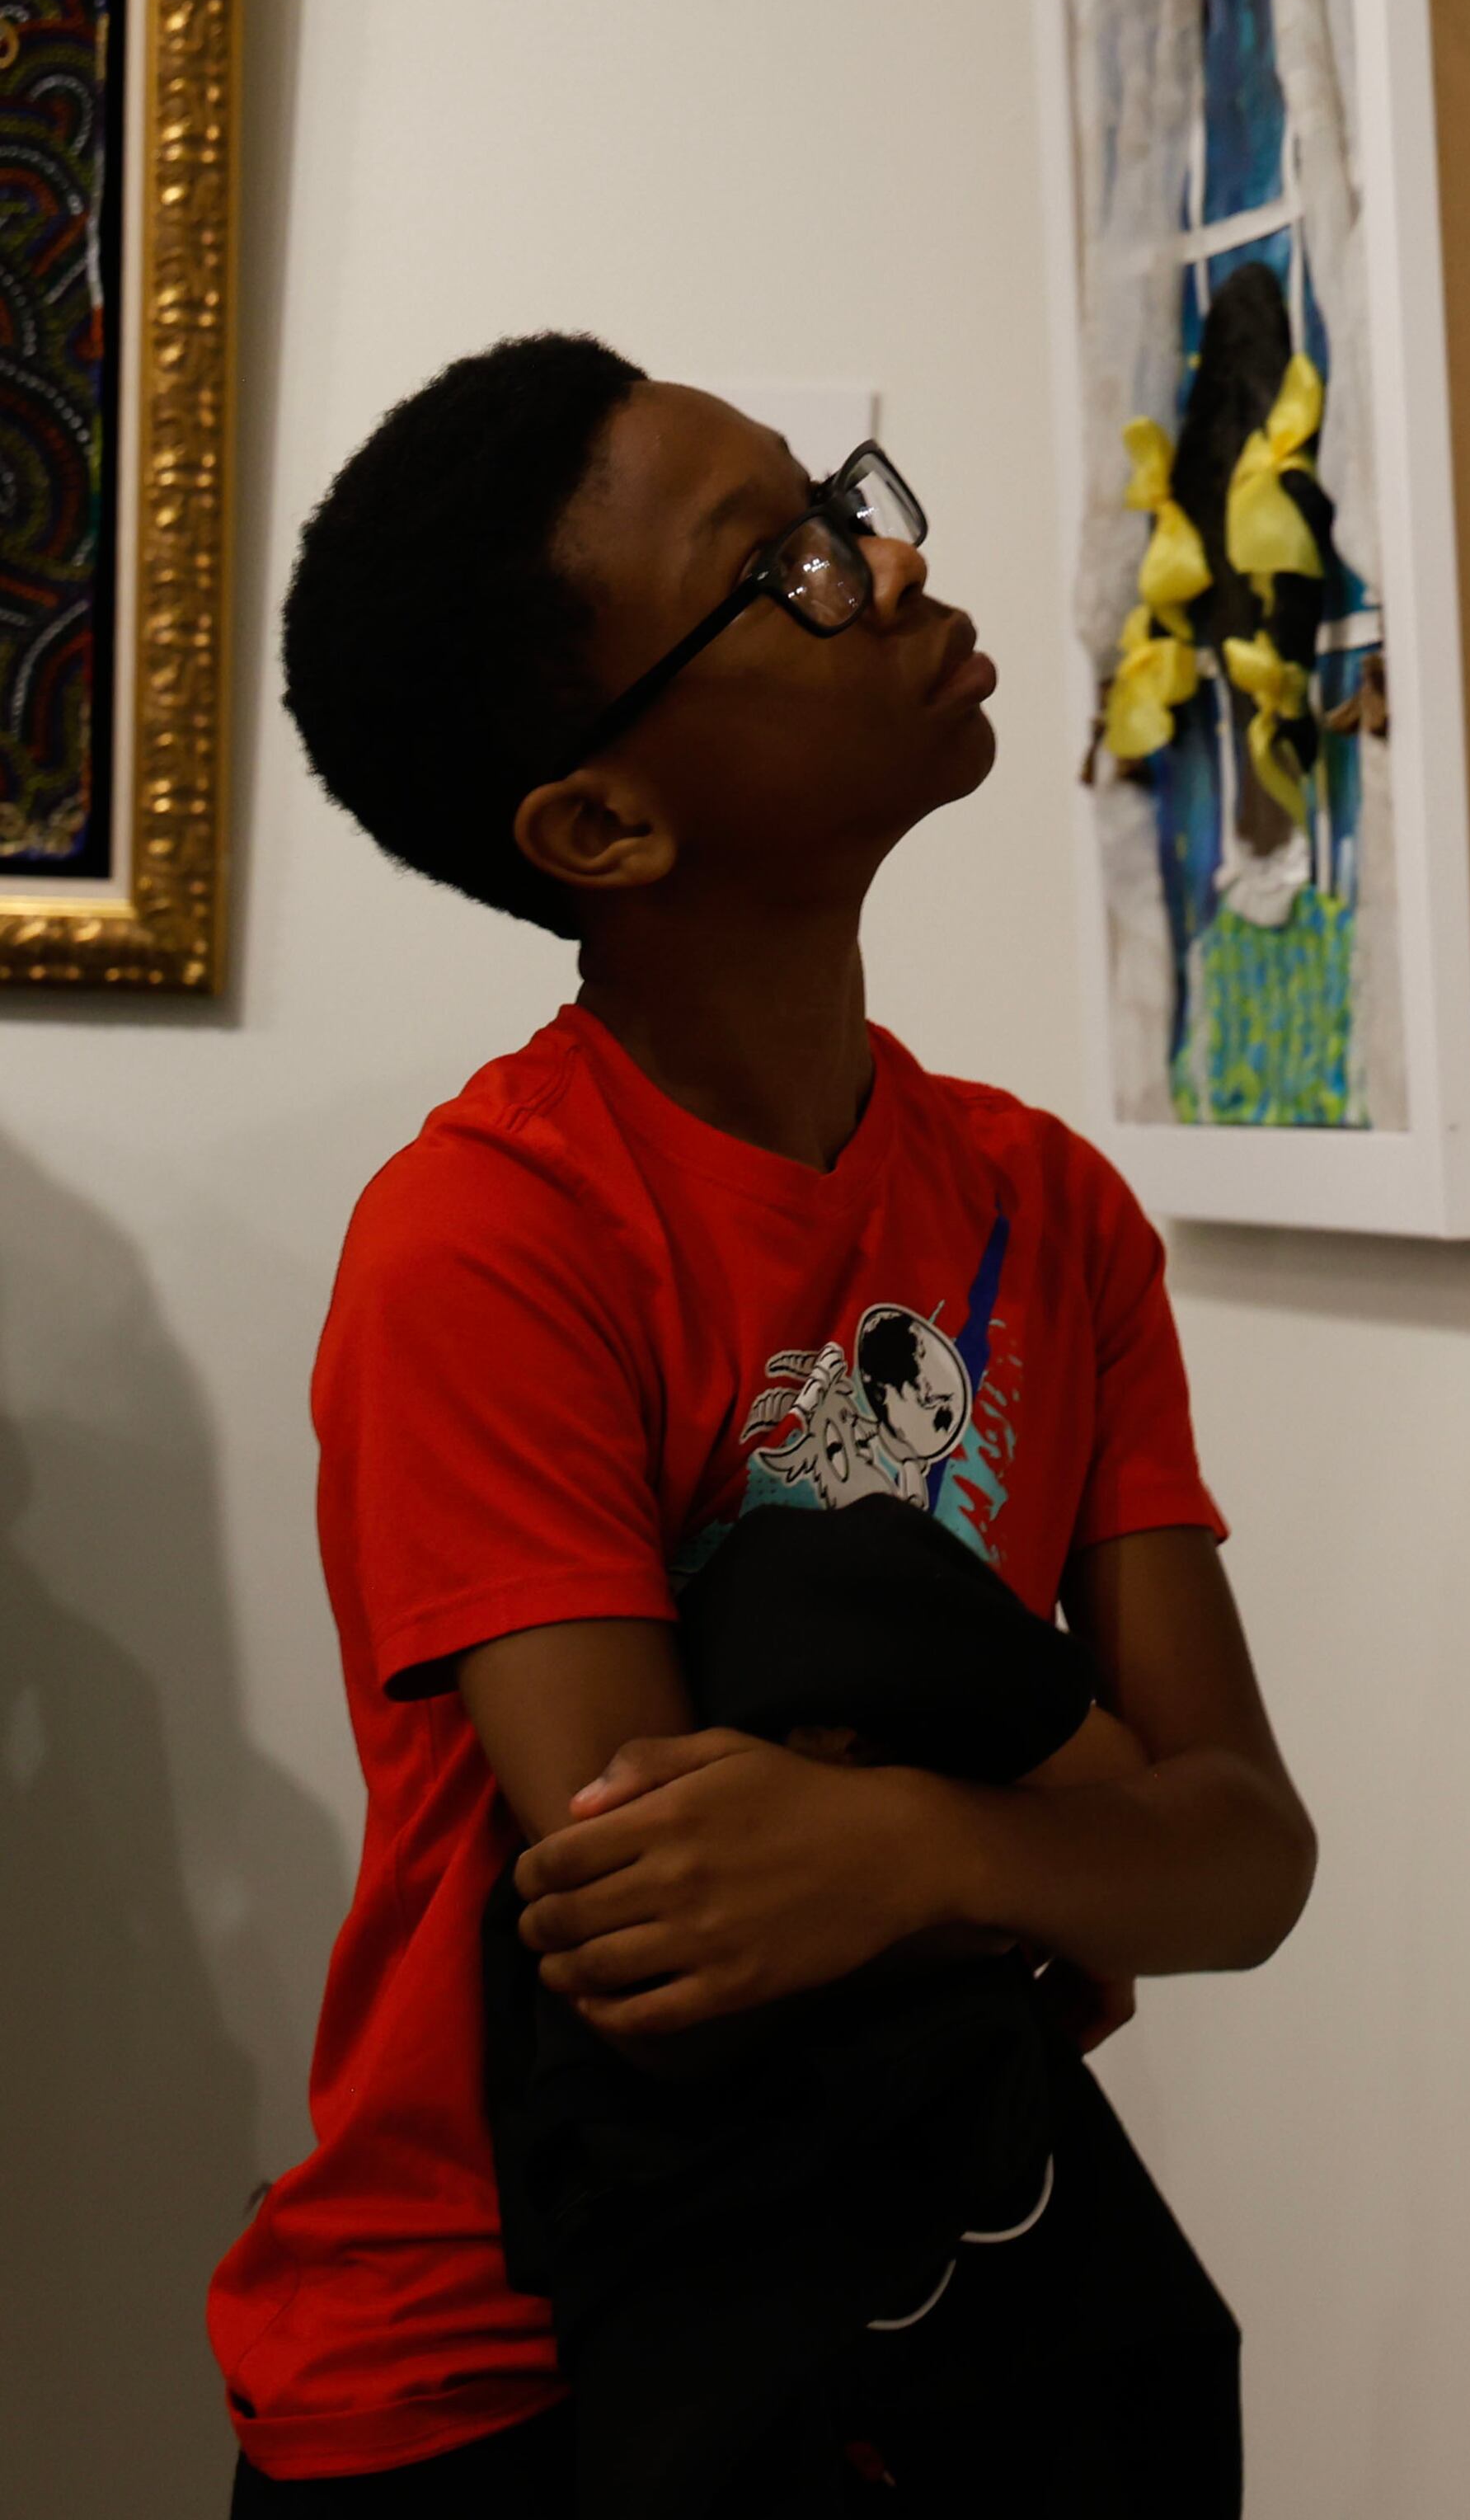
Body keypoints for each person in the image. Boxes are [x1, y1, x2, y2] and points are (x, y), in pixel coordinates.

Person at [207, 335, 1317, 2510]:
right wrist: (1071, 1794)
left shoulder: (1049, 1210)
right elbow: (672, 1930)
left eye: (846, 495)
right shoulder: (490, 1238)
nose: (891, 557)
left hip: (902, 2304)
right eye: (790, 561)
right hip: (489, 2380)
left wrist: (915, 1836)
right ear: (604, 819)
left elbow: (1250, 1854)